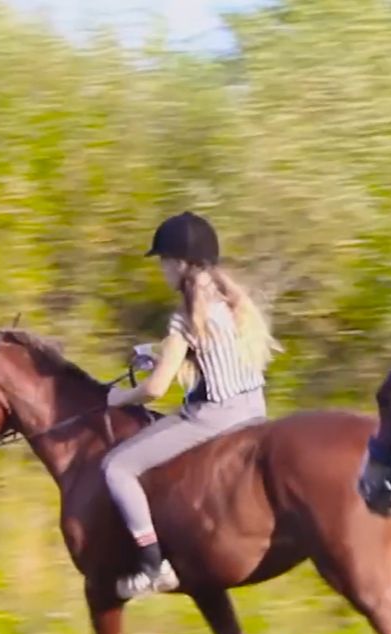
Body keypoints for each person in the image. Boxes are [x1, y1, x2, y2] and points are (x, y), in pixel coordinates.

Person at [103, 211, 279, 600]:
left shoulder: (184, 317)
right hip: (254, 410)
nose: (162, 270)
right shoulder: (231, 302)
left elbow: (156, 389)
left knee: (117, 467)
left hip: (214, 416)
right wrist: (156, 351)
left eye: (164, 262)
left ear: (181, 263)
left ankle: (152, 564)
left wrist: (119, 398)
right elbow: (210, 353)